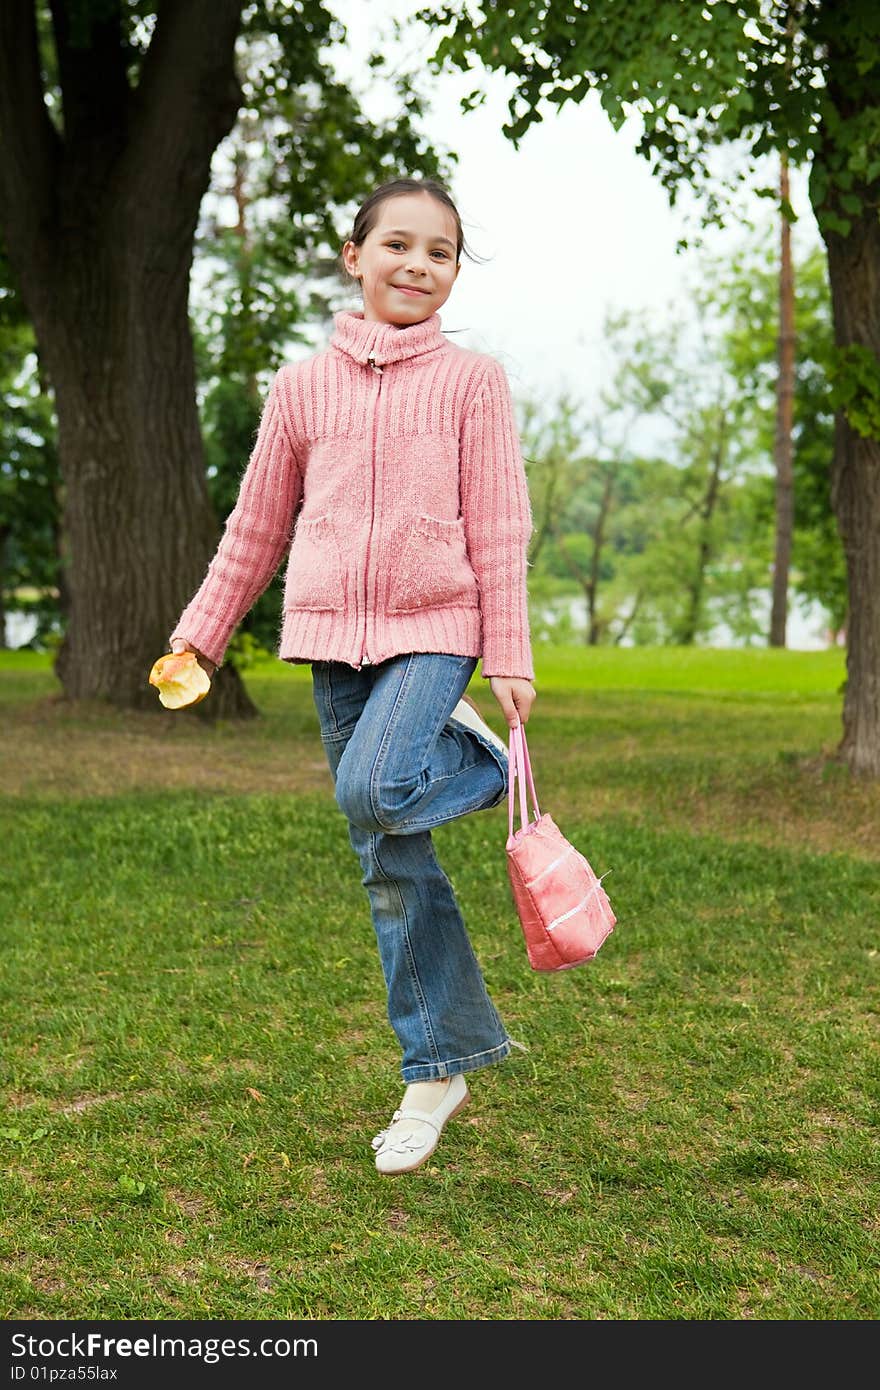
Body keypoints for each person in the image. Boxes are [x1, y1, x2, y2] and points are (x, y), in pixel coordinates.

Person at [164, 176, 536, 1174]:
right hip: (333, 639)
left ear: (455, 272)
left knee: (371, 787)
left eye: (441, 252)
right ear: (354, 254)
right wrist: (199, 634)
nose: (418, 264)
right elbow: (257, 528)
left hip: (435, 627)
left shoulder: (472, 382)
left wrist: (508, 652)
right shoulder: (299, 387)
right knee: (386, 852)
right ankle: (437, 1067)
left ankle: (477, 757)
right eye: (399, 245)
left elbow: (499, 527)